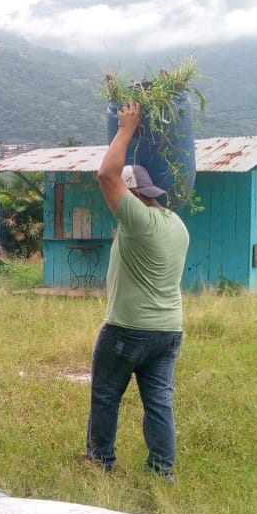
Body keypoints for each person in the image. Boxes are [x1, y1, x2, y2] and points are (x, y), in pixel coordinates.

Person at [85, 102, 190, 483]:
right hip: (168, 331)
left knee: (105, 396)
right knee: (159, 402)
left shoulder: (138, 219)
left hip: (127, 329)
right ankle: (163, 471)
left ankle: (101, 463)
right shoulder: (176, 224)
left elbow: (106, 174)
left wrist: (126, 129)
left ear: (132, 193)